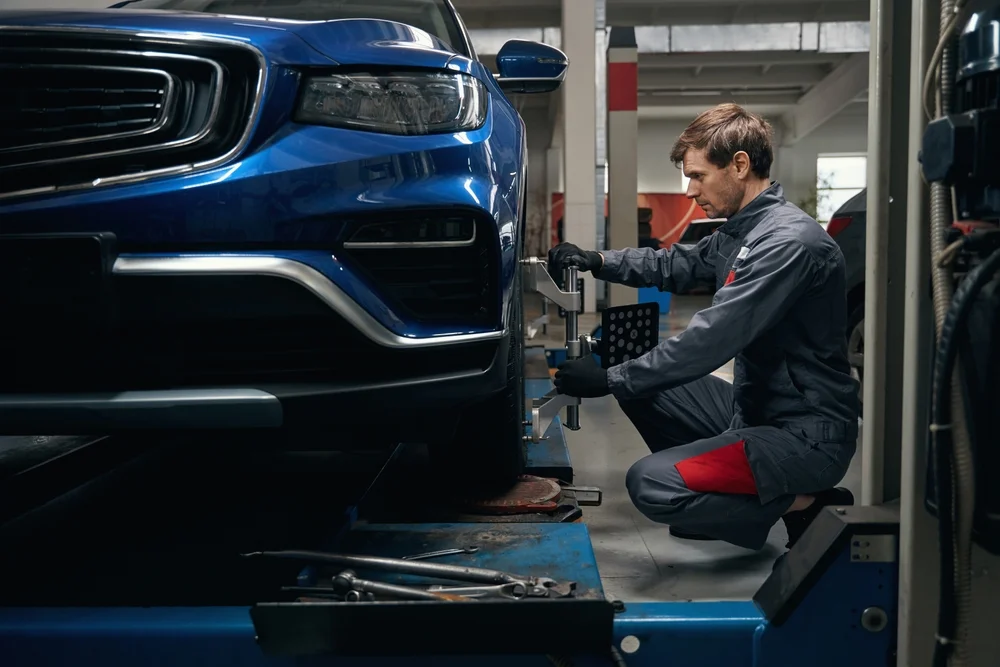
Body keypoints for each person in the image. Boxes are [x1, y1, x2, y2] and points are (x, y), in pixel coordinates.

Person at [548, 103, 860, 557]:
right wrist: (598, 261)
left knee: (651, 483)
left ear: (739, 164)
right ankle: (720, 501)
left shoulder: (788, 242)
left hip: (804, 436)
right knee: (635, 372)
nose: (691, 190)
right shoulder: (740, 231)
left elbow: (711, 339)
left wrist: (609, 381)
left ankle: (804, 506)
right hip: (752, 411)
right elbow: (676, 263)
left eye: (698, 176)